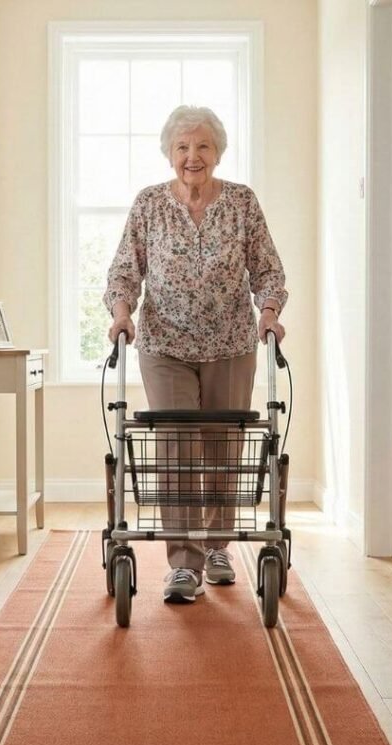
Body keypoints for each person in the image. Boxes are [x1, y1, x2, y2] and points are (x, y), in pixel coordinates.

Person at [102, 104, 288, 604]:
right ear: (169, 153)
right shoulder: (149, 205)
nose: (193, 156)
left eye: (203, 145)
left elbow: (267, 270)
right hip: (165, 345)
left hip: (230, 343)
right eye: (182, 146)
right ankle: (184, 563)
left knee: (225, 447)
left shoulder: (242, 203)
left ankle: (219, 548)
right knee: (175, 449)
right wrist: (122, 313)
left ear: (218, 152)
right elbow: (124, 271)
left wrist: (269, 313)